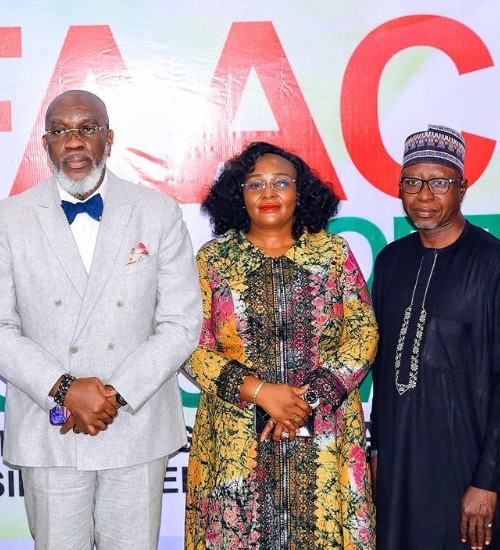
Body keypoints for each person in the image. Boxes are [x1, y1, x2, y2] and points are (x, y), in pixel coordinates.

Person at [0, 89, 202, 549]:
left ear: (108, 138)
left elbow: (181, 322)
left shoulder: (156, 212)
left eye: (87, 129)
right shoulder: (9, 219)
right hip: (50, 427)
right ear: (46, 144)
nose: (74, 142)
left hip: (135, 427)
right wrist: (65, 389)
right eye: (61, 131)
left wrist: (114, 396)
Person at [183, 141, 377, 549]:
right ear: (238, 195)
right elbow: (190, 345)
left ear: (299, 192)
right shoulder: (214, 260)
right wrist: (260, 392)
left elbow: (363, 332)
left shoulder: (333, 254)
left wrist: (308, 399)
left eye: (281, 183)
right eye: (255, 184)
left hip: (325, 433)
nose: (268, 193)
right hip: (236, 437)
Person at [370, 125, 500, 550]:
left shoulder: (496, 267)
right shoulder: (391, 262)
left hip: (466, 474)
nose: (424, 195)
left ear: (463, 187)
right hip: (399, 471)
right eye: (412, 182)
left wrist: (488, 481)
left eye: (439, 182)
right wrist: (377, 453)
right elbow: (382, 372)